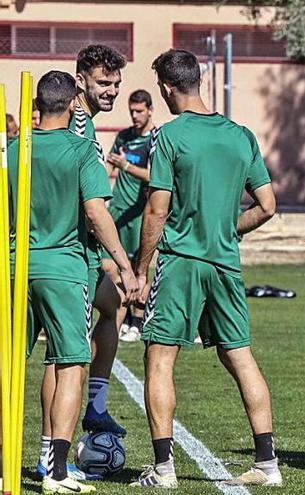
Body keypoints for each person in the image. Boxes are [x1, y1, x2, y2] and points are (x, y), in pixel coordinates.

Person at [131, 49, 280, 488]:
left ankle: (163, 469)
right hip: (225, 264)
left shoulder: (168, 136)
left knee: (159, 359)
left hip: (181, 263)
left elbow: (157, 211)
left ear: (166, 87)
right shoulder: (241, 135)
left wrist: (141, 270)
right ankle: (268, 463)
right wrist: (226, 229)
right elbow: (267, 206)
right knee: (240, 357)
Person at [10, 70, 137, 494]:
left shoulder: (13, 149)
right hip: (63, 269)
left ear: (36, 106)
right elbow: (98, 214)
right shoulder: (81, 150)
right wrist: (124, 263)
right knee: (69, 365)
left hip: (15, 268)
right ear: (70, 105)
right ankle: (58, 472)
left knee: (10, 365)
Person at [36, 43, 128, 482]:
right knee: (62, 356)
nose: (111, 90)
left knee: (113, 308)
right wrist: (119, 260)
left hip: (77, 254)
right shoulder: (75, 126)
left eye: (116, 84)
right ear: (80, 82)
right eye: (103, 83)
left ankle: (94, 404)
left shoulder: (86, 123)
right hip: (69, 254)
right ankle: (51, 452)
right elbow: (84, 199)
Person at [105, 89, 158, 344]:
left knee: (140, 268)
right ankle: (123, 319)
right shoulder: (124, 137)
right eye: (131, 111)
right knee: (117, 268)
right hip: (118, 212)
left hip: (140, 214)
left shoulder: (155, 140)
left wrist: (127, 166)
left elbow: (154, 176)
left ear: (150, 110)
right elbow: (109, 166)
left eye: (139, 111)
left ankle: (137, 321)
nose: (135, 116)